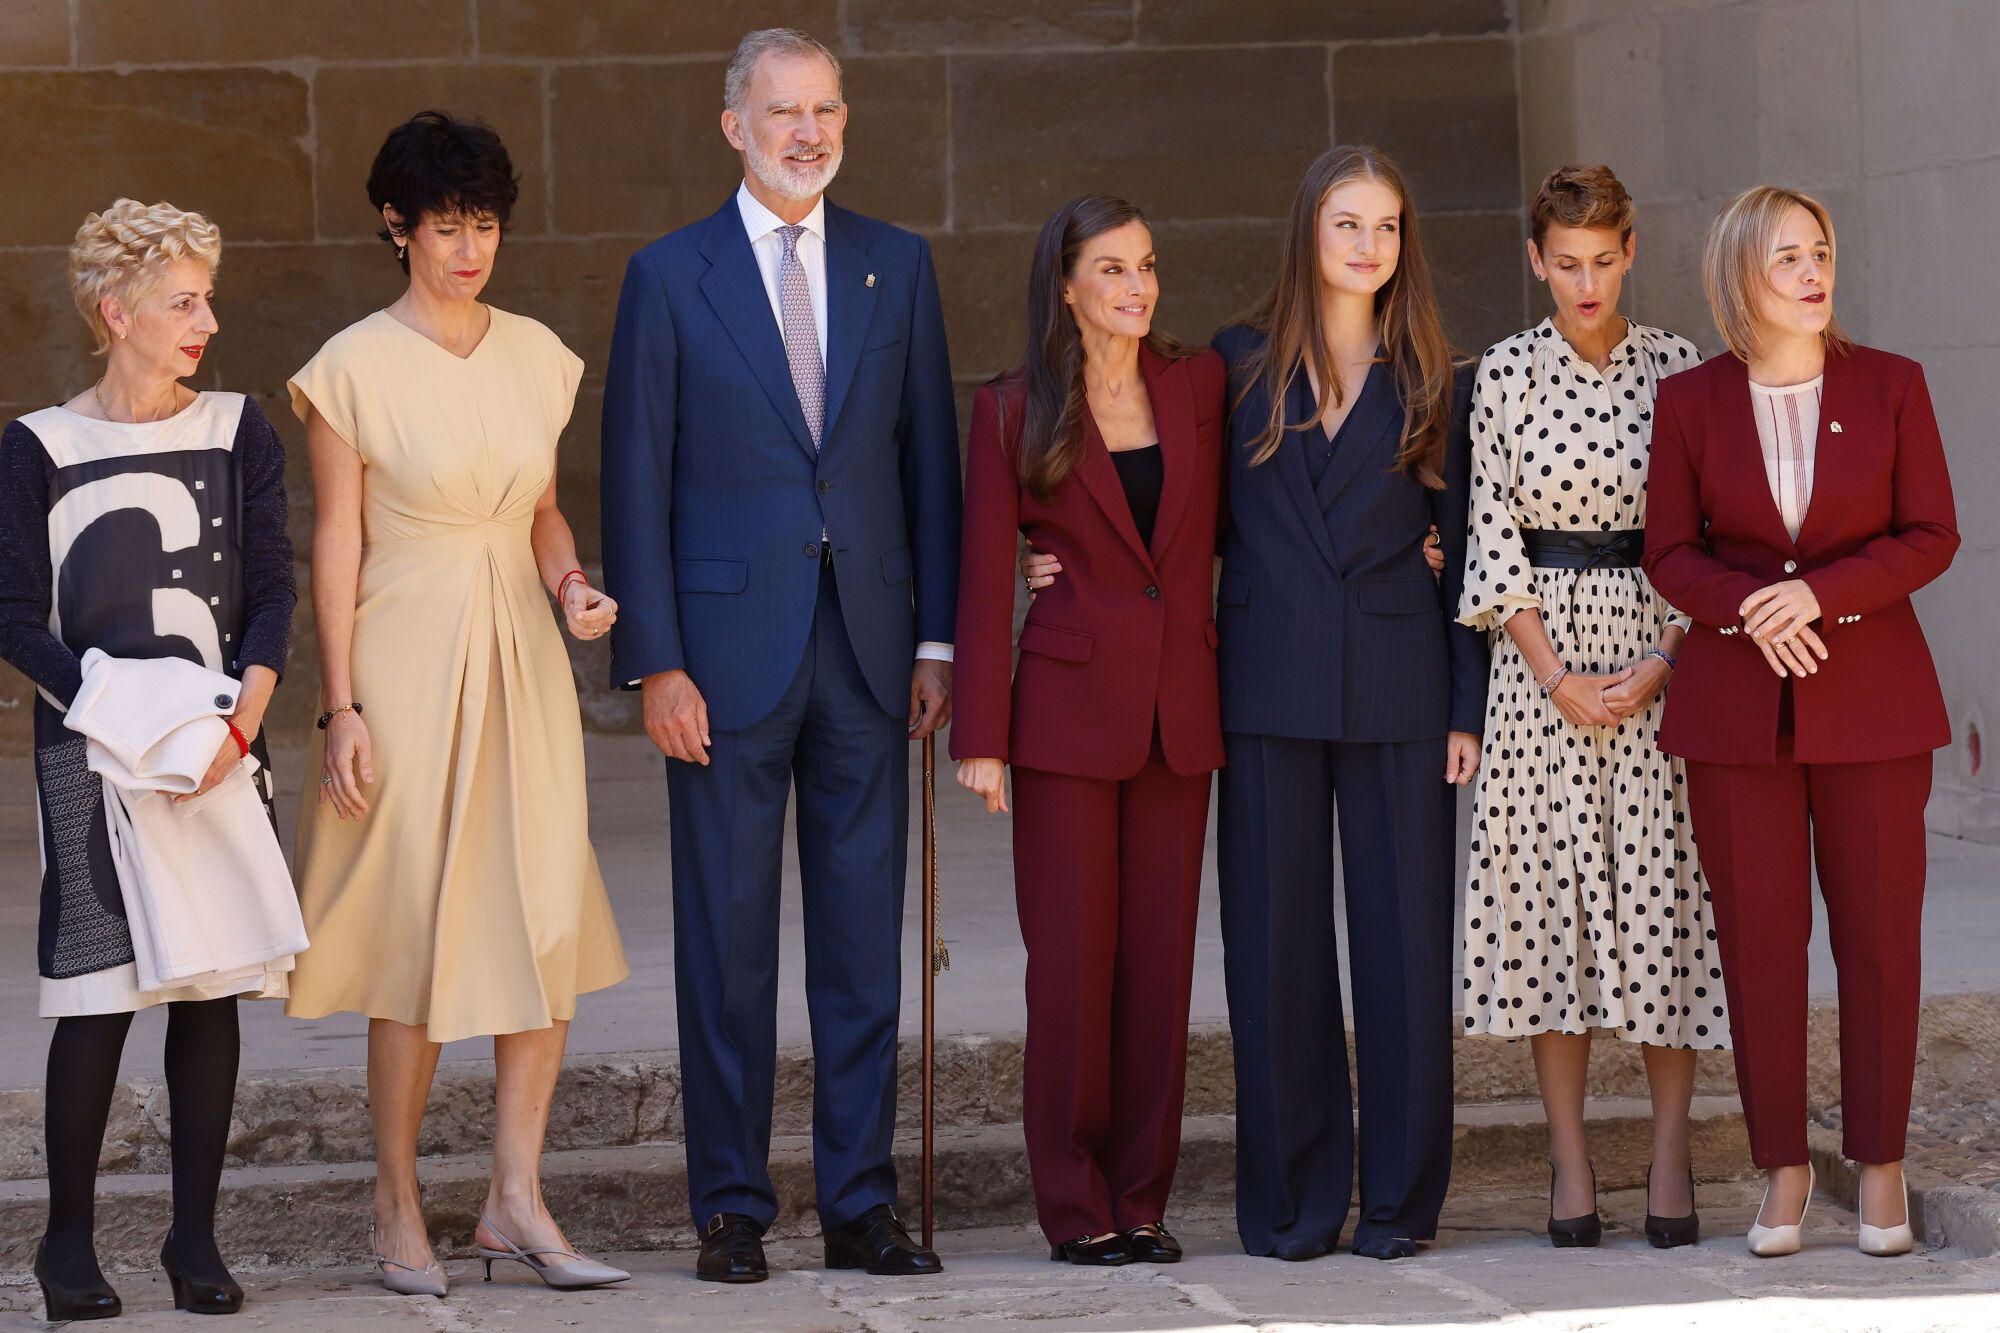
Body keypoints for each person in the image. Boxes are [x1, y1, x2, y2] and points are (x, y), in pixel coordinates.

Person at [600, 28, 960, 1284]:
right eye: (782, 111)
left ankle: (861, 1202)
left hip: (868, 656)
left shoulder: (895, 267)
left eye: (825, 110)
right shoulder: (668, 276)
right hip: (722, 663)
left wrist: (935, 641)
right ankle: (732, 1207)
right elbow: (632, 479)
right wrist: (656, 663)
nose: (807, 131)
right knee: (727, 945)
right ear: (732, 125)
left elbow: (931, 468)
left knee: (863, 947)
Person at [285, 111, 630, 1296]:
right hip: (405, 650)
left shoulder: (536, 351)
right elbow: (334, 541)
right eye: (446, 225)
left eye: (484, 223)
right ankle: (395, 1205)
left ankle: (514, 1199)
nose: (470, 246)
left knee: (541, 912)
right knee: (417, 926)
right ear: (398, 226)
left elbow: (538, 512)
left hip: (521, 649)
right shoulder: (348, 368)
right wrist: (341, 706)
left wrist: (574, 585)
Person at [1643, 186, 1957, 1259]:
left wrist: (1821, 594)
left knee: (1879, 944)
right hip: (1735, 718)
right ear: (1740, 275)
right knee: (1759, 949)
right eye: (1785, 257)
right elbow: (1669, 551)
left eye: (1819, 250)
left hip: (1870, 705)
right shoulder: (1688, 401)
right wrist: (1743, 608)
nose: (1811, 271)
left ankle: (1879, 1169)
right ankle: (1779, 1168)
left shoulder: (1891, 386)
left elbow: (1929, 533)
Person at [0, 198, 297, 1319]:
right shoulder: (39, 445)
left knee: (211, 989)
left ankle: (194, 1243)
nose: (206, 320)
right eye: (183, 301)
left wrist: (237, 718)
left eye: (207, 298)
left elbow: (271, 587)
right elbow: (14, 613)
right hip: (93, 750)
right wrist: (128, 709)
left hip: (224, 745)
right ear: (115, 312)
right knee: (97, 994)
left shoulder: (238, 427)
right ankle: (66, 1247)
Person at [953, 195, 1225, 1267]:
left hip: (1178, 714)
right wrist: (982, 731)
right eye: (1108, 269)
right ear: (1064, 285)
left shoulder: (1198, 383)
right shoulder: (1012, 409)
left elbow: (1249, 518)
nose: (1133, 287)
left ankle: (1142, 1194)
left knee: (1158, 968)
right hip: (1063, 716)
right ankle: (1075, 1203)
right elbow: (985, 571)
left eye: (1145, 266)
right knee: (1068, 965)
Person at [1456, 163, 1723, 1250]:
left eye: (1601, 261)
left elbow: (1709, 528)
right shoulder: (1504, 375)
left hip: (1659, 645)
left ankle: (1667, 1151)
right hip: (1538, 671)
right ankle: (1568, 1160)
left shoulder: (1677, 366)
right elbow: (1488, 536)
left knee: (1663, 898)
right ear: (1535, 260)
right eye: (1563, 264)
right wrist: (1555, 674)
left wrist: (1662, 654)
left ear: (1626, 253)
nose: (1583, 282)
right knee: (1549, 910)